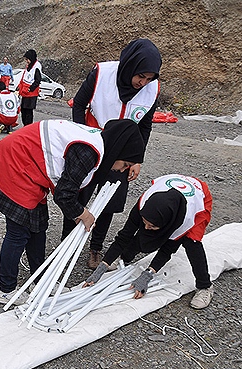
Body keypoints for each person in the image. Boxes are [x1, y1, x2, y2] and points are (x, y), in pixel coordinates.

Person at [0, 119, 145, 305]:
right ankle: (6, 290)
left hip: (31, 170)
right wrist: (83, 214)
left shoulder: (97, 143)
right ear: (117, 150)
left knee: (38, 226)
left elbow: (68, 188)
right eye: (125, 164)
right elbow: (64, 195)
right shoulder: (88, 151)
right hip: (15, 164)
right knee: (18, 232)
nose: (122, 170)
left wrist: (77, 212)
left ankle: (40, 282)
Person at [66, 38, 162, 269]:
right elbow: (78, 105)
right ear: (130, 65)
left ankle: (95, 249)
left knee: (108, 201)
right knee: (78, 197)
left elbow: (145, 126)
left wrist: (137, 159)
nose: (143, 82)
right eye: (141, 76)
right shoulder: (102, 73)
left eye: (149, 78)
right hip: (94, 145)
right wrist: (84, 138)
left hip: (122, 155)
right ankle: (66, 245)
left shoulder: (151, 89)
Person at [83, 174, 214, 309]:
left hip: (199, 199)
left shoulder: (185, 221)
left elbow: (166, 250)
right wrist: (101, 268)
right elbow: (124, 237)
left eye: (152, 225)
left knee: (192, 243)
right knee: (144, 234)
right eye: (145, 222)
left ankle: (205, 286)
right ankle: (123, 257)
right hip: (172, 191)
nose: (146, 227)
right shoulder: (143, 205)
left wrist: (148, 275)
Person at [17, 49, 42, 126]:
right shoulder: (28, 66)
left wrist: (30, 88)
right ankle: (25, 125)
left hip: (31, 93)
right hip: (25, 92)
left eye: (27, 59)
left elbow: (38, 80)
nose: (26, 61)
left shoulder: (37, 67)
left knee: (28, 111)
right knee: (23, 110)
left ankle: (28, 126)